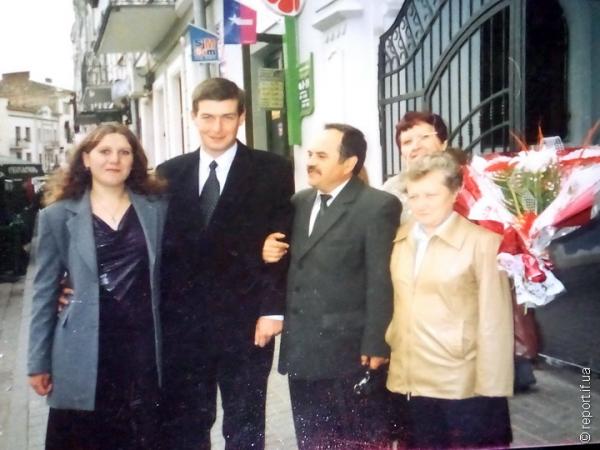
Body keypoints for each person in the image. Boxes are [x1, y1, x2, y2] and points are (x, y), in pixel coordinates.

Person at [157, 77, 294, 449]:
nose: (217, 128)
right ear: (193, 117)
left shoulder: (271, 170)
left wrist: (272, 310)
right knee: (187, 424)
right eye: (208, 117)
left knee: (245, 423)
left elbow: (282, 241)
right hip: (185, 325)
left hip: (245, 323)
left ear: (242, 117)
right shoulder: (169, 174)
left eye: (227, 117)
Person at [27, 123, 167, 449]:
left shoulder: (158, 209)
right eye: (104, 151)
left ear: (134, 161)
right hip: (85, 348)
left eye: (124, 152)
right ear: (86, 159)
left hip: (142, 346)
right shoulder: (56, 217)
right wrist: (37, 362)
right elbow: (44, 293)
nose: (114, 159)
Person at [263, 123, 401, 449]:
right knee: (311, 442)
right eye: (311, 154)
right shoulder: (299, 202)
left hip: (348, 354)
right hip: (302, 353)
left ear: (349, 163)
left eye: (321, 156)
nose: (310, 162)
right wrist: (267, 249)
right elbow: (289, 261)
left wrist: (377, 343)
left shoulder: (377, 206)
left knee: (354, 442)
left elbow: (381, 280)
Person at [386, 152, 514, 449]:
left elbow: (495, 322)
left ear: (455, 192)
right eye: (414, 196)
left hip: (459, 382)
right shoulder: (402, 239)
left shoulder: (482, 243)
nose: (421, 204)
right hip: (408, 378)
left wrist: (491, 389)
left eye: (431, 195)